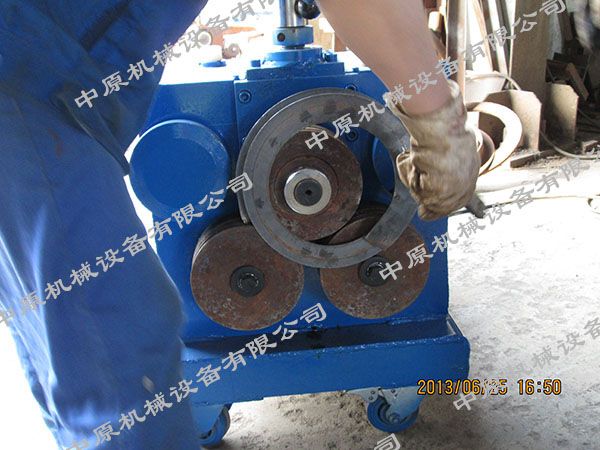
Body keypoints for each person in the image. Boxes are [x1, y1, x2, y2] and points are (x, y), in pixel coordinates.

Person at [0, 1, 478, 449]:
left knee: (73, 342)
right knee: (117, 355)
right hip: (24, 94)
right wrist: (438, 125)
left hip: (44, 80)